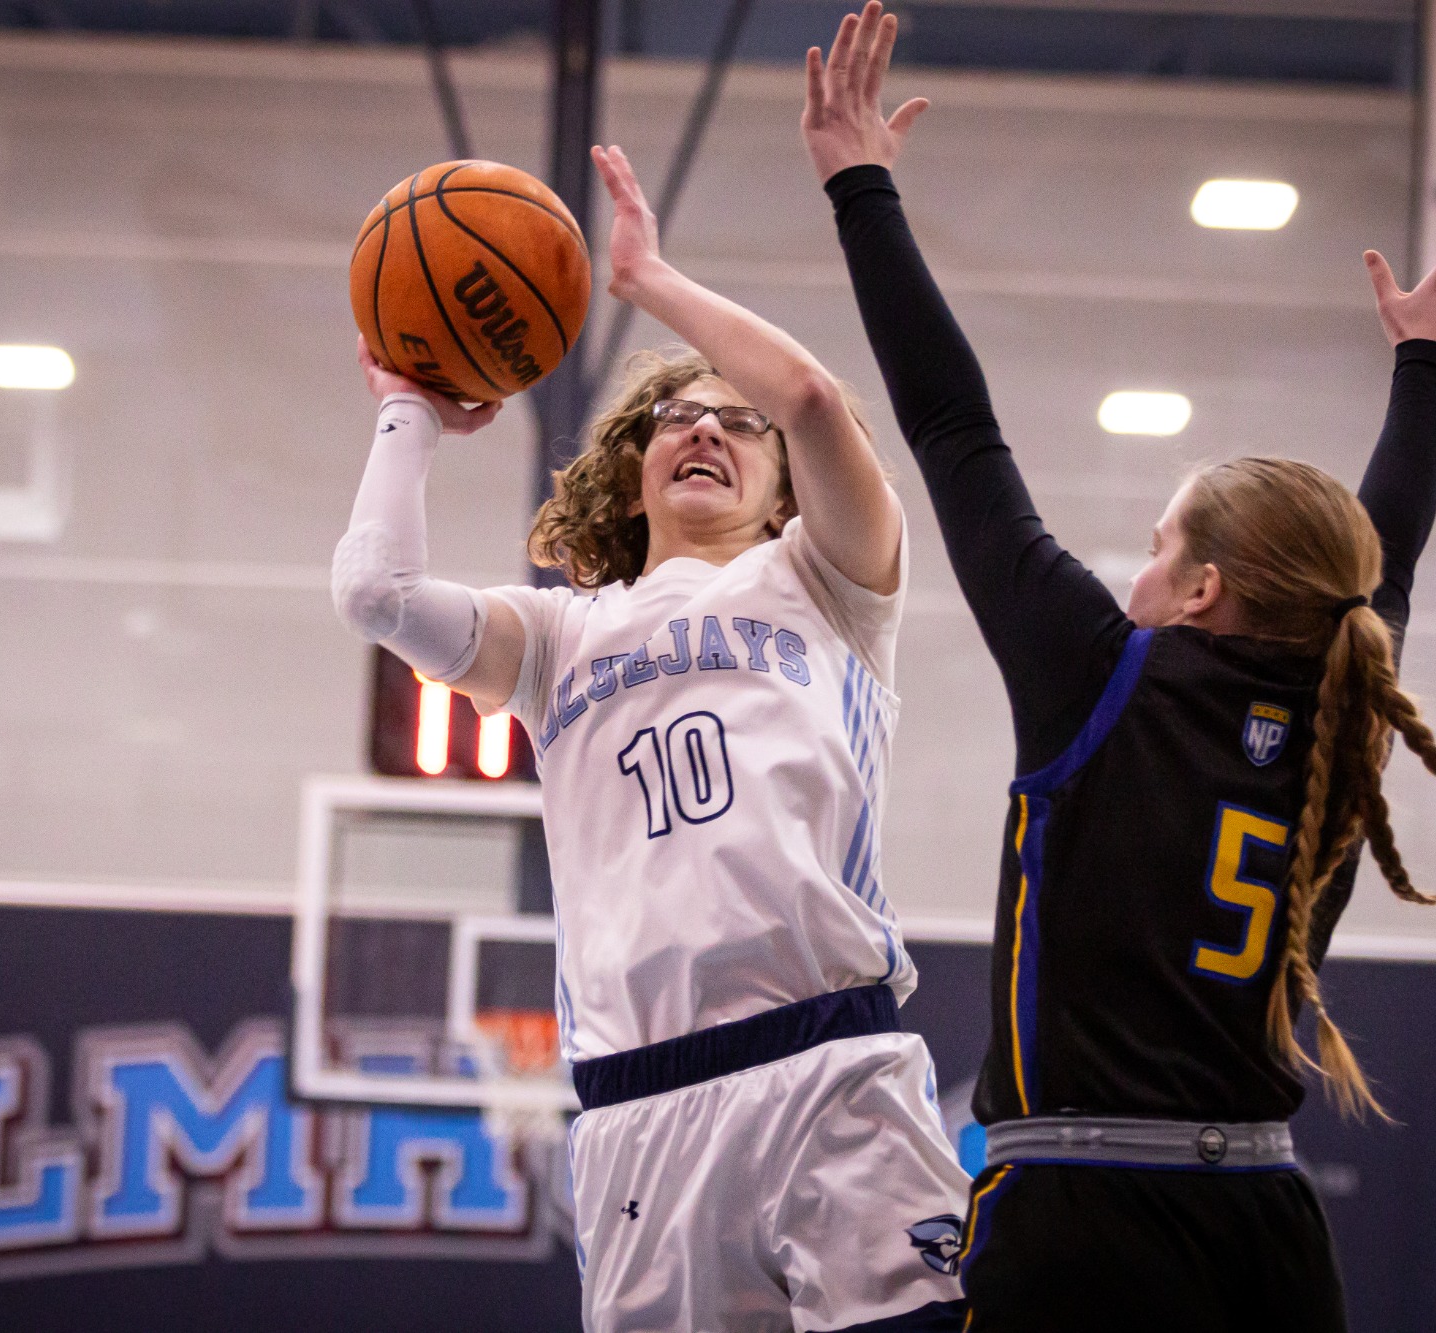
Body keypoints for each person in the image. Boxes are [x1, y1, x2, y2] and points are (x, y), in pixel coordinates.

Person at [798, 4, 1436, 1328]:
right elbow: (1388, 563)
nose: (1131, 575)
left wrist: (858, 186)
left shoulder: (1107, 677)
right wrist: (1430, 366)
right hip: (1269, 1234)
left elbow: (949, 422)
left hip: (1084, 1230)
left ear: (1203, 589)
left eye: (1156, 550)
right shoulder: (1345, 698)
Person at [333, 142, 968, 1331]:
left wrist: (649, 283)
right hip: (637, 1113)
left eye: (736, 422)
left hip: (830, 1070)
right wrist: (409, 410)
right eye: (674, 419)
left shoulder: (825, 585)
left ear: (782, 490)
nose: (704, 430)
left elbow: (815, 400)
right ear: (630, 477)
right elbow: (373, 593)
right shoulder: (555, 637)